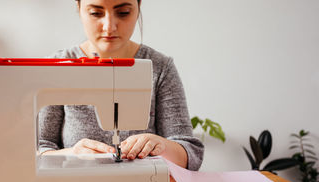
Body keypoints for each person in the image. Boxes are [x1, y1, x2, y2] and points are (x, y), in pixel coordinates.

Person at [39, 0, 204, 170]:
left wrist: (163, 146)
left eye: (123, 12)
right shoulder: (57, 68)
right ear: (79, 8)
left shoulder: (160, 67)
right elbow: (40, 148)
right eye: (96, 13)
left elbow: (191, 154)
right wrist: (69, 155)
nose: (109, 27)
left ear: (138, 8)